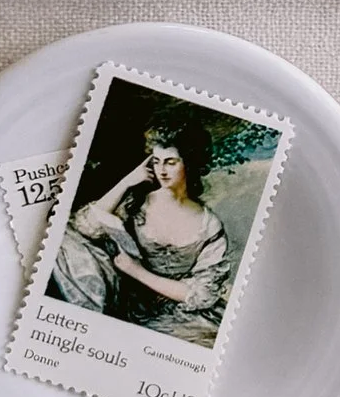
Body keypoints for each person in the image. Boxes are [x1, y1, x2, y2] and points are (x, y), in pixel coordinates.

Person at [52, 121, 235, 340]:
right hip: (131, 305)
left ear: (190, 163)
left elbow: (201, 293)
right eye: (156, 162)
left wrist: (136, 270)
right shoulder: (137, 203)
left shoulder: (209, 224)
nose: (162, 171)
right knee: (64, 241)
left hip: (181, 312)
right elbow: (84, 226)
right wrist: (127, 182)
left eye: (171, 162)